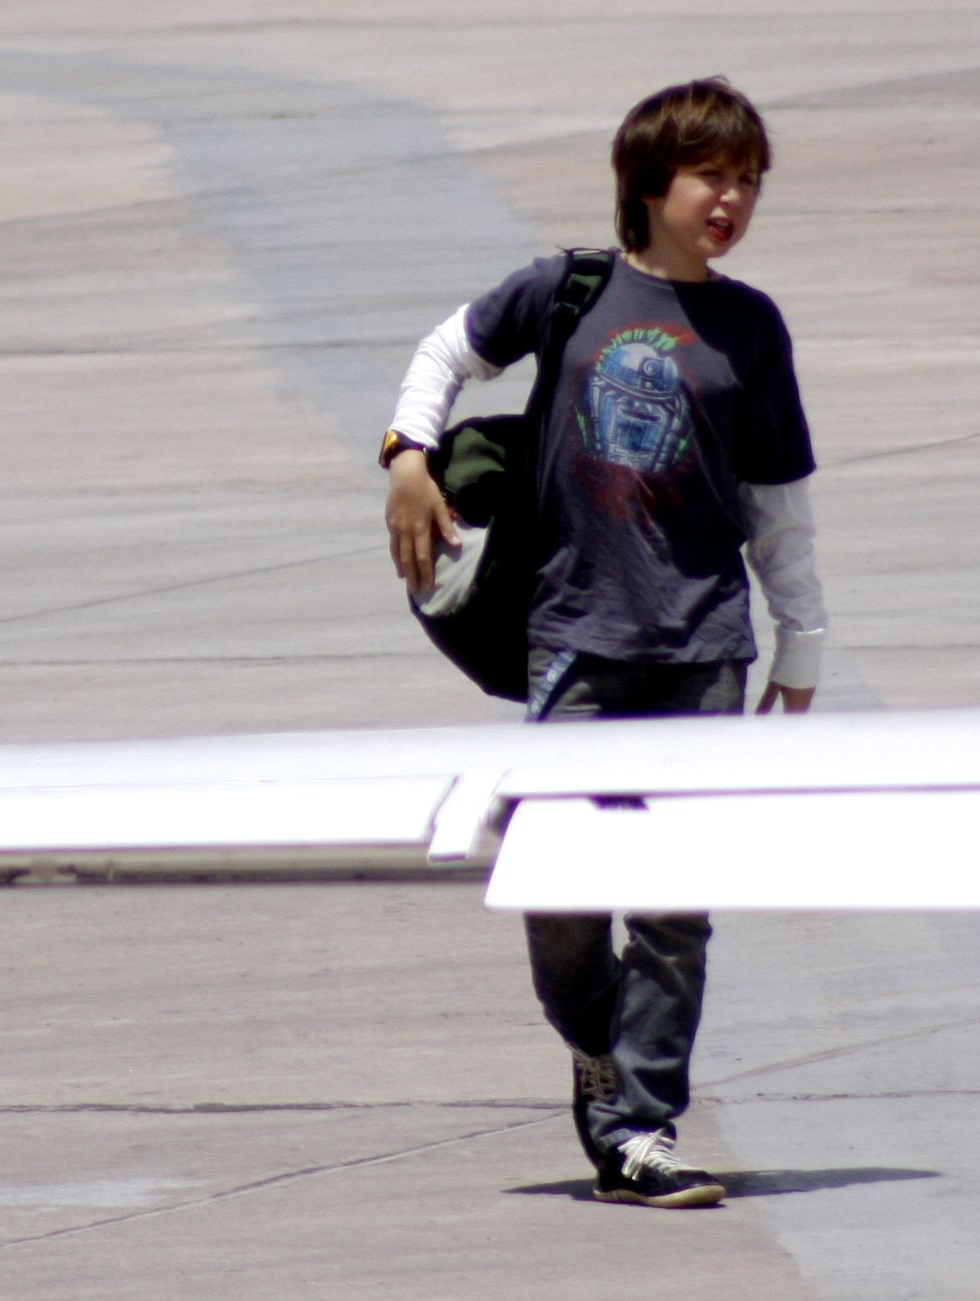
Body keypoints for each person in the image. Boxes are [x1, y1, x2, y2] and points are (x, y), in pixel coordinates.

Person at [381, 77, 826, 1208]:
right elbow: (443, 355)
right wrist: (406, 455)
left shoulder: (750, 325)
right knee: (564, 892)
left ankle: (641, 1128)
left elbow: (778, 497)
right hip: (575, 638)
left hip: (704, 647)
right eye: (712, 177)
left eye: (748, 182)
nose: (731, 199)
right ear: (650, 184)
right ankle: (596, 1047)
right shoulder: (566, 292)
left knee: (674, 906)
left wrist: (802, 637)